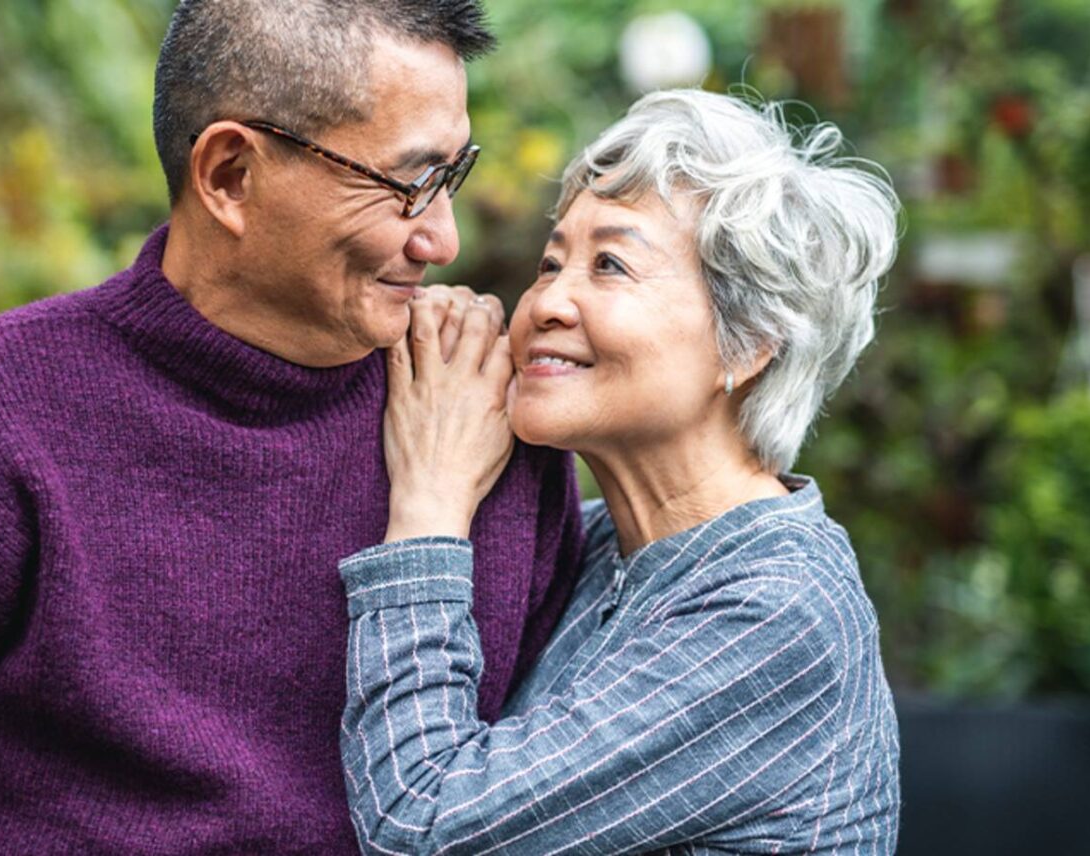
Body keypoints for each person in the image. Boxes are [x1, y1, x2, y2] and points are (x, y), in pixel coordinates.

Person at [0, 1, 584, 852]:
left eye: (452, 178)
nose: (443, 239)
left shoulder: (481, 420)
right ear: (230, 176)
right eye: (409, 184)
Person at [338, 89, 903, 854]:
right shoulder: (602, 547)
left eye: (609, 265)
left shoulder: (779, 612)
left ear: (748, 344)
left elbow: (424, 826)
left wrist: (429, 502)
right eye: (550, 261)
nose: (546, 303)